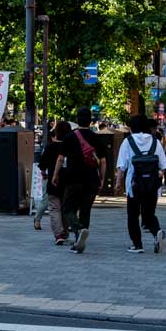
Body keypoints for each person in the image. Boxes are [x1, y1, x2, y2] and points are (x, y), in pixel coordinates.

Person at [117, 114, 166, 254]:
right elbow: (163, 166)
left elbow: (122, 166)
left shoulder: (128, 142)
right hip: (152, 185)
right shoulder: (155, 141)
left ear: (132, 127)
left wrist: (118, 183)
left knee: (133, 215)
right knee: (149, 214)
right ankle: (156, 232)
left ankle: (137, 244)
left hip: (134, 186)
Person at [58, 108, 101, 253]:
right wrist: (101, 176)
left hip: (74, 178)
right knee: (85, 210)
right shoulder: (96, 137)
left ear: (77, 119)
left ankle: (78, 229)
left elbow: (60, 158)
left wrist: (55, 175)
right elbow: (104, 161)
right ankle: (80, 238)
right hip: (92, 179)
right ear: (91, 120)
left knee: (68, 208)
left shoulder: (69, 137)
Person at [33, 120, 70, 244]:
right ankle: (65, 231)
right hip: (68, 181)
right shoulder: (71, 147)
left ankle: (58, 234)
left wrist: (44, 173)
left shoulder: (50, 147)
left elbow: (42, 164)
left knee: (54, 208)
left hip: (54, 181)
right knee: (65, 207)